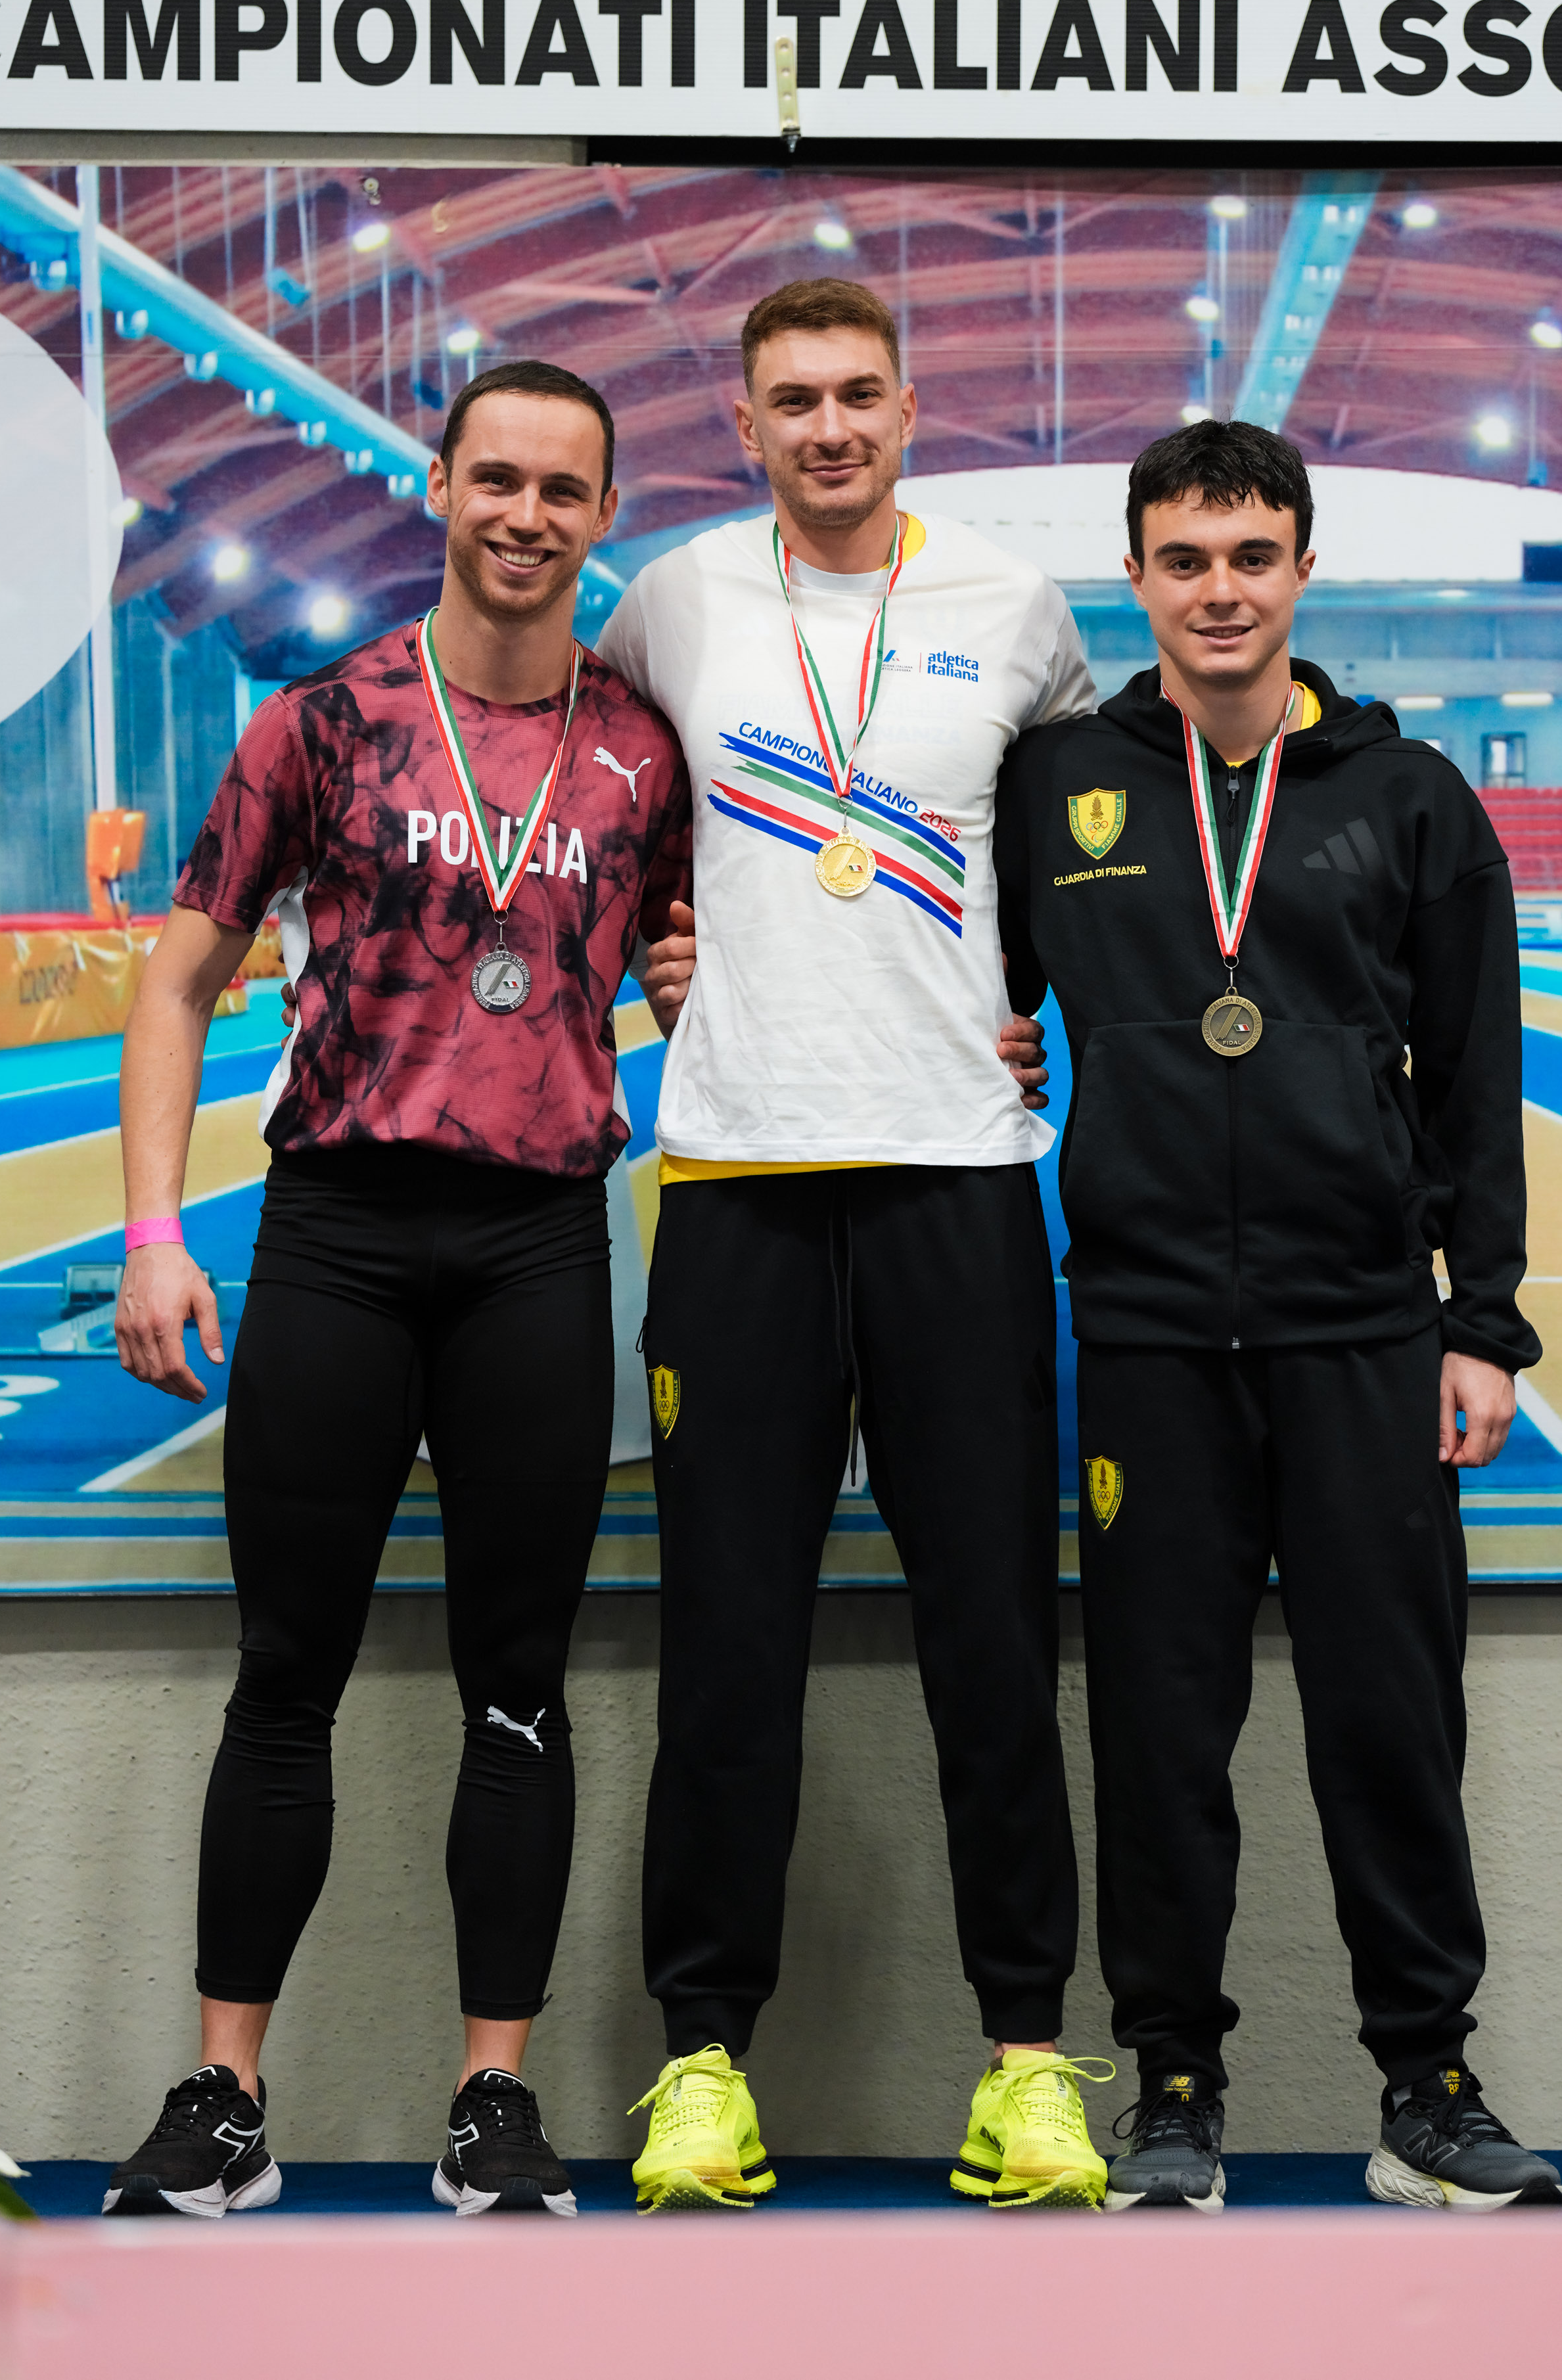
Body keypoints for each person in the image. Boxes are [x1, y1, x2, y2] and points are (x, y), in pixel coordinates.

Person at [103, 359, 690, 2221]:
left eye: (563, 489)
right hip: (339, 1236)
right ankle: (224, 2095)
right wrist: (151, 1233)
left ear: (603, 515)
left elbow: (708, 971)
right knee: (287, 1674)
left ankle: (490, 2099)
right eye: (496, 478)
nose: (526, 514)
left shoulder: (644, 749)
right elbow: (176, 983)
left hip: (538, 1245)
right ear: (439, 488)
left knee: (518, 1685)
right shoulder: (321, 722)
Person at [993, 417, 1562, 2215]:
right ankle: (1173, 2079)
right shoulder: (1057, 783)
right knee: (1159, 1731)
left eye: (1252, 557)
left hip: (1362, 1333)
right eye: (1184, 559)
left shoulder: (1410, 796)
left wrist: (1482, 1322)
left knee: (1391, 1721)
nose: (1220, 590)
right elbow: (963, 979)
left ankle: (1427, 2082)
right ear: (1135, 577)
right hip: (1148, 1332)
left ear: (1304, 569)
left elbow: (1476, 1076)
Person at [597, 277, 1113, 2212]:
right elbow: (609, 792)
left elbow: (1083, 838)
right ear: (745, 426)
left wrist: (1041, 997)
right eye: (794, 399)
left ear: (911, 409)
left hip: (954, 1175)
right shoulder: (671, 600)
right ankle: (702, 2064)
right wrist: (656, 945)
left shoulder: (1015, 606)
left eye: (858, 394)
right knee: (727, 1650)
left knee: (995, 1643)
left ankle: (1027, 2067)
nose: (829, 426)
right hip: (735, 1176)